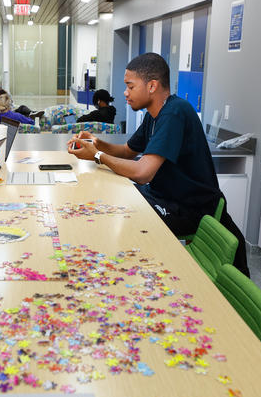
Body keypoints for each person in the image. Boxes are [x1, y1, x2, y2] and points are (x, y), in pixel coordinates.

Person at [67, 53, 249, 276]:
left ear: (151, 86)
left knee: (123, 218)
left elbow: (143, 173)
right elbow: (127, 151)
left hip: (190, 208)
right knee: (113, 202)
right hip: (164, 196)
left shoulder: (175, 112)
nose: (125, 92)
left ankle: (124, 277)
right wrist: (95, 142)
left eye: (130, 86)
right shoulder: (154, 115)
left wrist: (96, 156)